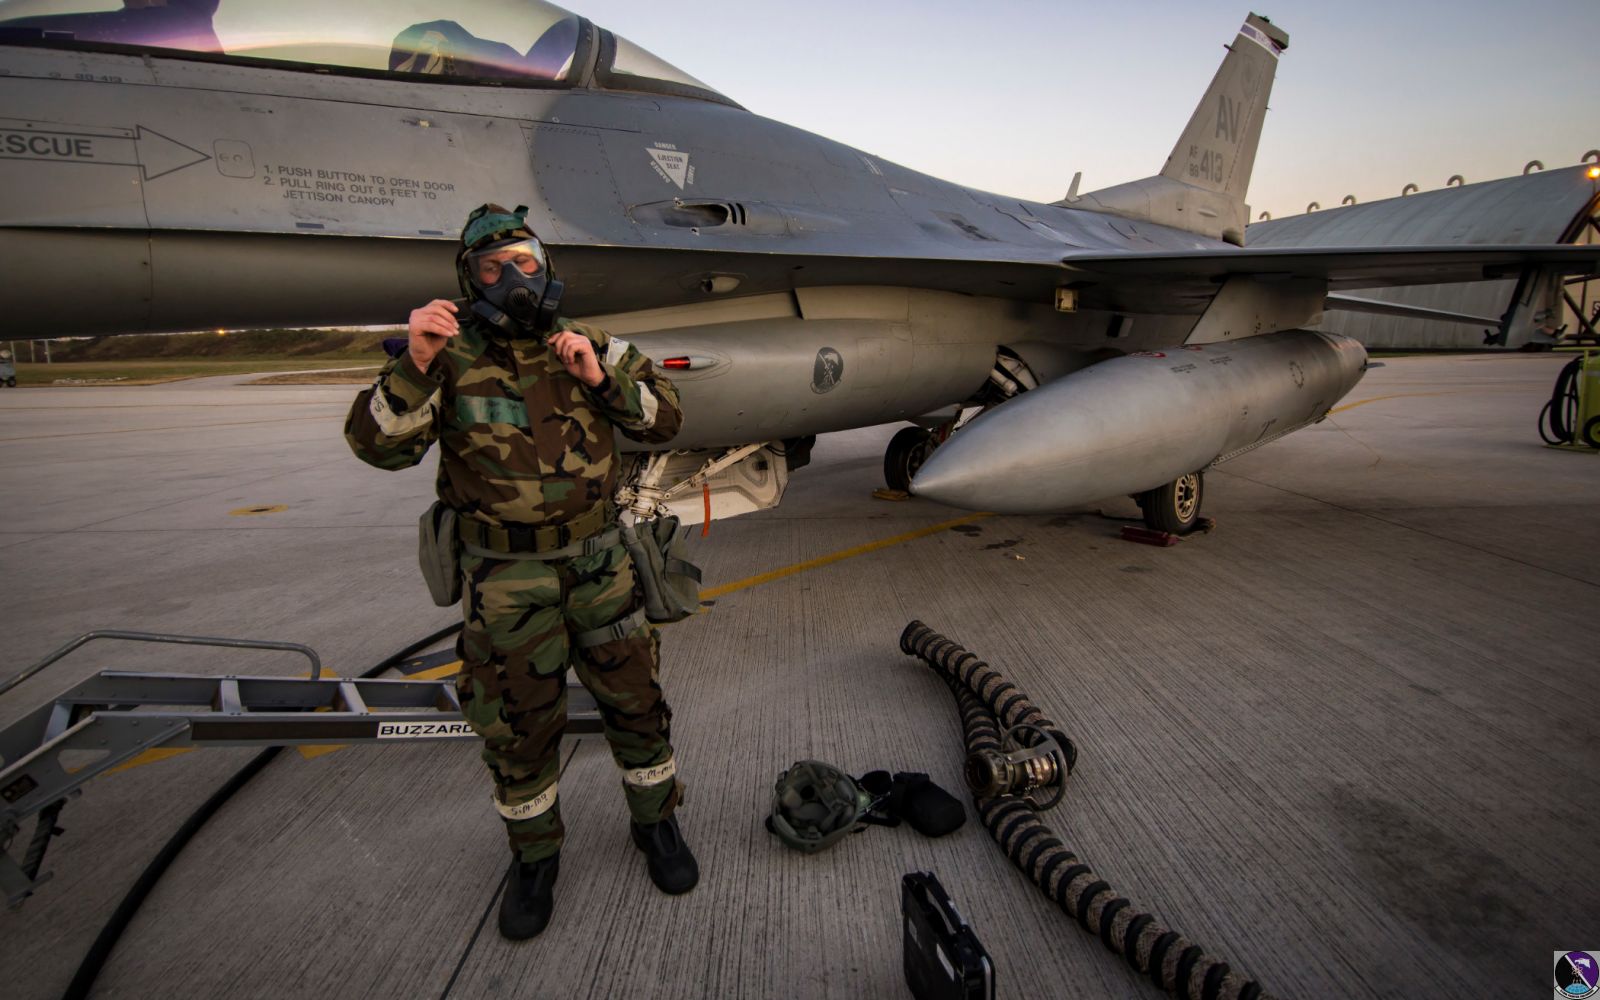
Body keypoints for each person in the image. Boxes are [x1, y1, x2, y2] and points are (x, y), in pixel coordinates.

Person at [345, 204, 693, 941]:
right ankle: (535, 858)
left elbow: (665, 419)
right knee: (515, 725)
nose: (513, 278)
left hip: (599, 563)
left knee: (636, 700)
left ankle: (656, 825)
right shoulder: (446, 354)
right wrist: (415, 361)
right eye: (493, 268)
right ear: (469, 281)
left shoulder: (592, 343)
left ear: (546, 265)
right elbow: (378, 447)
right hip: (506, 579)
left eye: (525, 261)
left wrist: (600, 377)